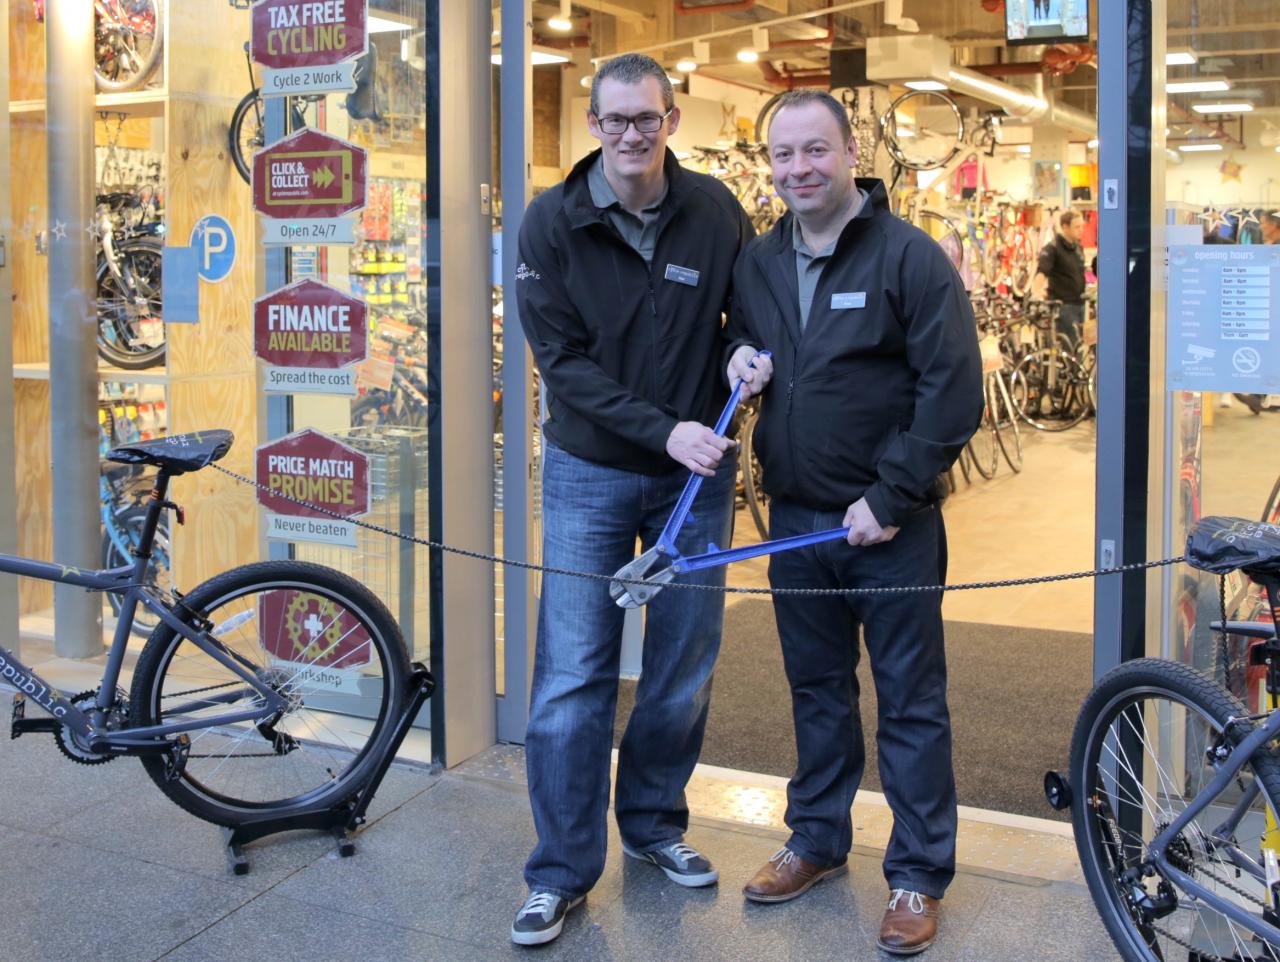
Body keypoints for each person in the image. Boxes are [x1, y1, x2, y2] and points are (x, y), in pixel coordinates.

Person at [724, 90, 982, 956]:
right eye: (783, 155)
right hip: (798, 522)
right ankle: (818, 841)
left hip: (891, 527)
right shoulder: (759, 261)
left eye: (815, 151)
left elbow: (954, 394)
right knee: (817, 694)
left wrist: (890, 496)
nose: (799, 169)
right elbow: (747, 337)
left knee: (911, 701)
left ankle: (915, 874)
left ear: (850, 150)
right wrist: (736, 356)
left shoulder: (911, 257)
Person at [510, 52, 754, 947]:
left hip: (696, 477)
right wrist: (663, 432)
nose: (630, 136)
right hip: (590, 469)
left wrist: (745, 352)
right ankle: (560, 872)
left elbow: (751, 310)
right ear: (593, 125)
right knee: (573, 675)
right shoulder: (551, 224)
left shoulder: (716, 212)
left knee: (683, 665)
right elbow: (563, 367)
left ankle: (653, 828)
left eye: (645, 119)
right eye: (614, 121)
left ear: (672, 119)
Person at [1033, 208, 1088, 345]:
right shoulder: (1053, 248)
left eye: (1082, 226)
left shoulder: (1078, 247)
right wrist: (1036, 292)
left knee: (1080, 348)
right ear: (1065, 227)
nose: (1081, 230)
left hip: (1080, 305)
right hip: (1064, 308)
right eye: (1077, 227)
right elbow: (1042, 272)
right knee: (1069, 348)